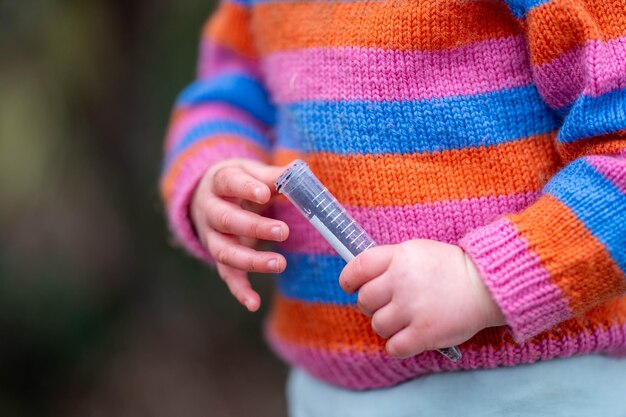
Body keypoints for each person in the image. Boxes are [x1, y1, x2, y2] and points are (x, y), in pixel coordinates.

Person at [160, 0, 626, 415]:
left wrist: (483, 279)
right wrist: (212, 174)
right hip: (327, 386)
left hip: (536, 384)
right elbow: (226, 95)